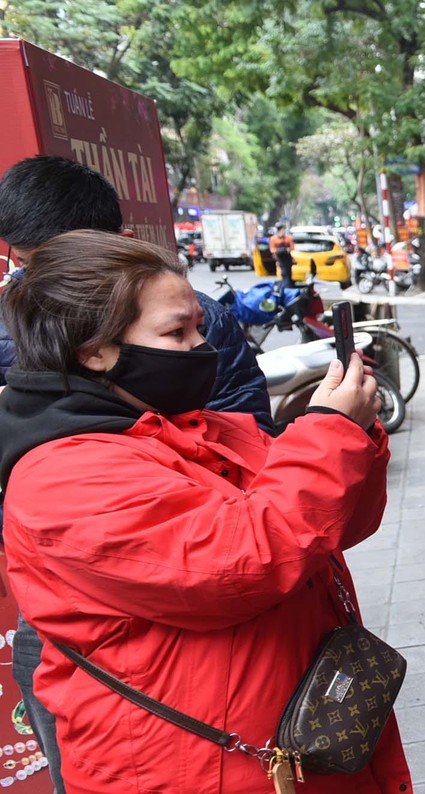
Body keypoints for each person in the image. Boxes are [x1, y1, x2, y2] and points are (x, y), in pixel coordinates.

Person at [0, 230, 411, 792]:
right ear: (93, 350)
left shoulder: (206, 427)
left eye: (198, 325)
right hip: (191, 767)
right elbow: (241, 564)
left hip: (289, 739)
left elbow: (332, 527)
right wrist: (329, 434)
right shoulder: (62, 477)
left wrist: (353, 432)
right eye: (177, 331)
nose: (201, 345)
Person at [0, 155, 273, 793]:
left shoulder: (192, 325)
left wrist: (332, 437)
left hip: (198, 609)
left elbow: (258, 489)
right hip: (72, 620)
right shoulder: (57, 476)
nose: (48, 286)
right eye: (26, 264)